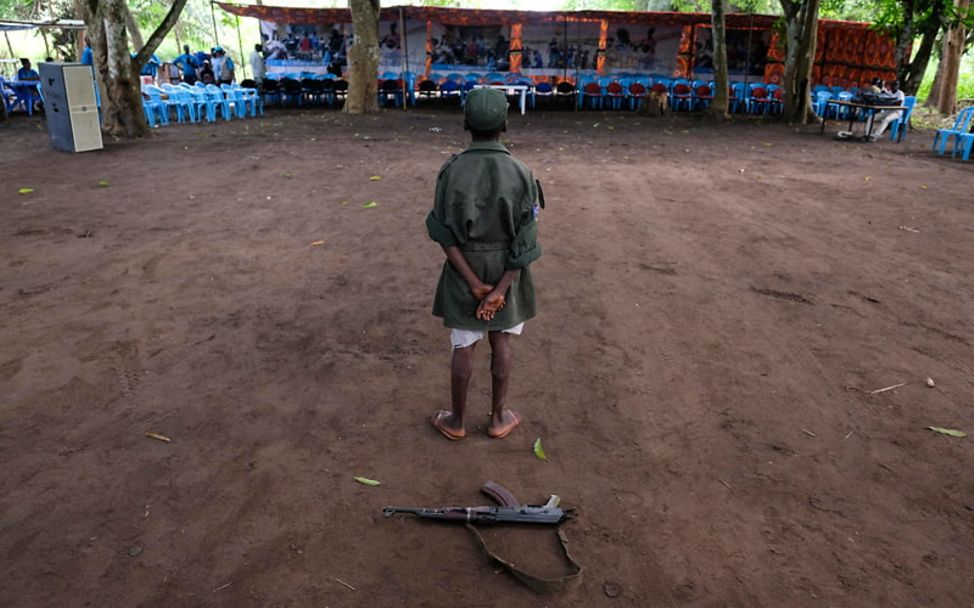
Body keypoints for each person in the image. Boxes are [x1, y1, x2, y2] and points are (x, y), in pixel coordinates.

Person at [425, 88, 543, 441]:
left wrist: (474, 283)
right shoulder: (521, 172)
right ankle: (497, 417)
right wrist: (500, 291)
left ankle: (456, 420)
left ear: (465, 123)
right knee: (501, 340)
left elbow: (443, 232)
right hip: (506, 268)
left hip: (465, 267)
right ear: (505, 125)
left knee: (463, 343)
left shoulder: (451, 170)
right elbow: (525, 241)